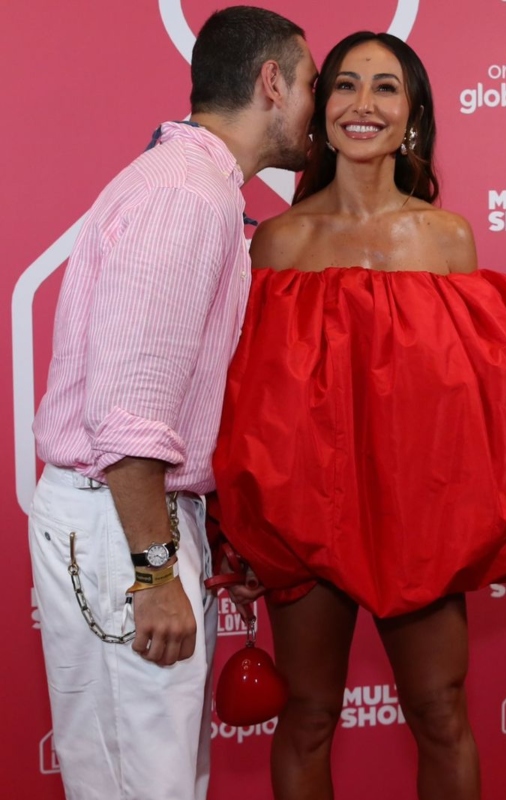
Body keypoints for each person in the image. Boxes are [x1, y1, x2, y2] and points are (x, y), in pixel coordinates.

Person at [209, 31, 506, 800]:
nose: (364, 104)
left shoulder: (446, 240)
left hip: (421, 522)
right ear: (319, 109)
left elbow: (490, 398)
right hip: (300, 514)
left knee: (441, 711)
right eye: (345, 85)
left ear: (411, 114)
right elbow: (245, 400)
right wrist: (236, 525)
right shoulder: (277, 243)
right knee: (309, 715)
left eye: (386, 88)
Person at [27, 7, 316, 799]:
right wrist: (155, 570)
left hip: (134, 517)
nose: (318, 108)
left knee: (153, 777)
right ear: (271, 83)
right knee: (140, 782)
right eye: (312, 84)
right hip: (124, 524)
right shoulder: (187, 196)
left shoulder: (192, 184)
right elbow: (130, 412)